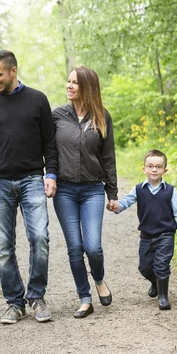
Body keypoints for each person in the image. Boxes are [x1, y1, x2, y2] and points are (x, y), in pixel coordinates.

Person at [0, 50, 58, 324]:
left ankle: (37, 297)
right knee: (4, 247)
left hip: (32, 180)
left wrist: (50, 173)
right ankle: (15, 303)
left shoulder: (38, 100)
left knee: (40, 238)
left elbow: (49, 143)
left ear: (13, 71)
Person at [52, 66, 118, 319]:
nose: (69, 86)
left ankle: (99, 279)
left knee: (93, 247)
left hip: (92, 190)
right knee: (74, 247)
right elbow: (49, 151)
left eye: (75, 83)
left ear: (87, 88)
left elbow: (108, 156)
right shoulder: (57, 115)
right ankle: (85, 297)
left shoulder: (102, 116)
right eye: (68, 81)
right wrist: (49, 177)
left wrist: (112, 193)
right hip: (65, 191)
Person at [109, 149, 177, 310]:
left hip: (165, 234)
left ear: (164, 170)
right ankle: (156, 283)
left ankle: (163, 296)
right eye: (151, 166)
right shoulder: (139, 189)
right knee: (145, 267)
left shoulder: (170, 191)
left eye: (158, 167)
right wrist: (115, 207)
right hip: (146, 236)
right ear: (144, 169)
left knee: (161, 265)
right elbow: (126, 202)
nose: (154, 169)